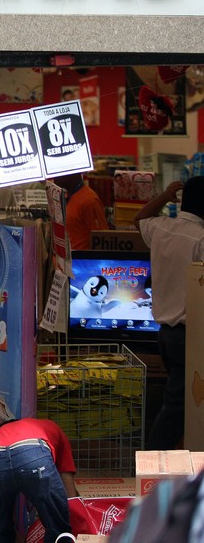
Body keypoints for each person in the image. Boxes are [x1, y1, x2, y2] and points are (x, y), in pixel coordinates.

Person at [135, 178, 204, 449]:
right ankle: (154, 465)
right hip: (190, 337)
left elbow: (140, 218)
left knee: (179, 403)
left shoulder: (161, 228)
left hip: (165, 333)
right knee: (178, 408)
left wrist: (165, 195)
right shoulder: (200, 239)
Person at [0, 417, 79, 543]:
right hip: (32, 452)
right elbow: (67, 481)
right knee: (58, 527)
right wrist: (73, 515)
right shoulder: (52, 427)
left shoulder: (3, 431)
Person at [52, 173, 108, 251]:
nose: (54, 177)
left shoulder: (89, 201)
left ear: (72, 174)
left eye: (59, 173)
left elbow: (102, 241)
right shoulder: (69, 196)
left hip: (82, 261)